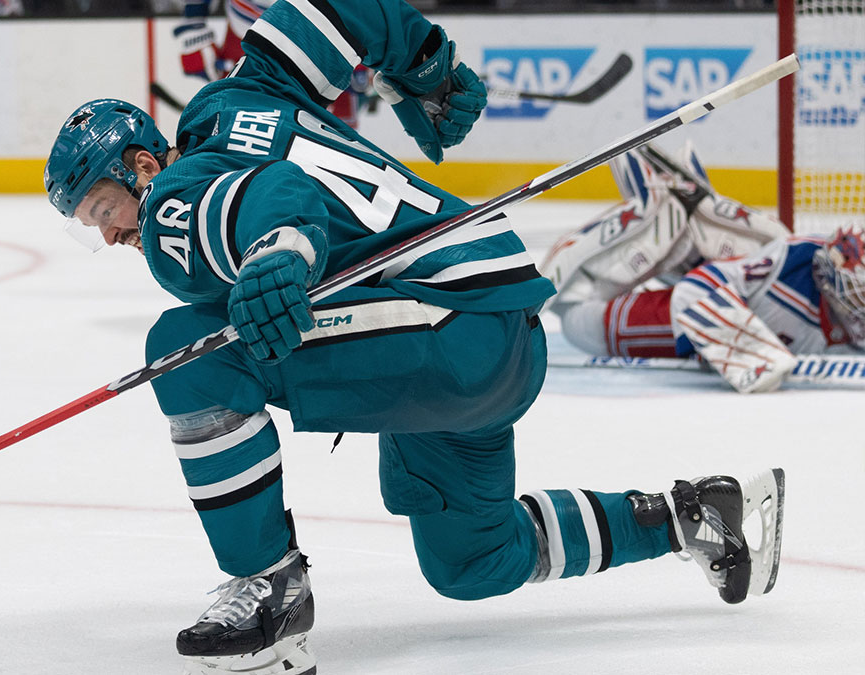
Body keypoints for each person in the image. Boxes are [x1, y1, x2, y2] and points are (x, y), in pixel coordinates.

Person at [43, 2, 786, 673]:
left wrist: (277, 249)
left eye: (104, 208)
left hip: (444, 324)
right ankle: (692, 516)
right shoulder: (244, 92)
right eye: (91, 226)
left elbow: (277, 195)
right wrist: (425, 70)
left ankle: (268, 587)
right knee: (472, 558)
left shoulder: (170, 200)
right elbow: (332, 10)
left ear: (142, 165)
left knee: (190, 351)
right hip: (494, 330)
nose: (111, 234)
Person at [542, 141, 864, 393]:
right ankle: (656, 215)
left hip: (728, 299)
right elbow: (696, 289)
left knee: (756, 249)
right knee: (576, 316)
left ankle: (687, 238)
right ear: (830, 282)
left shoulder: (847, 313)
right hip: (602, 322)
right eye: (859, 293)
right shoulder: (795, 259)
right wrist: (739, 350)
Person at [171, 0, 373, 127]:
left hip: (323, 35)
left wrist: (364, 42)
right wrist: (193, 26)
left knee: (333, 133)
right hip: (247, 35)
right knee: (236, 125)